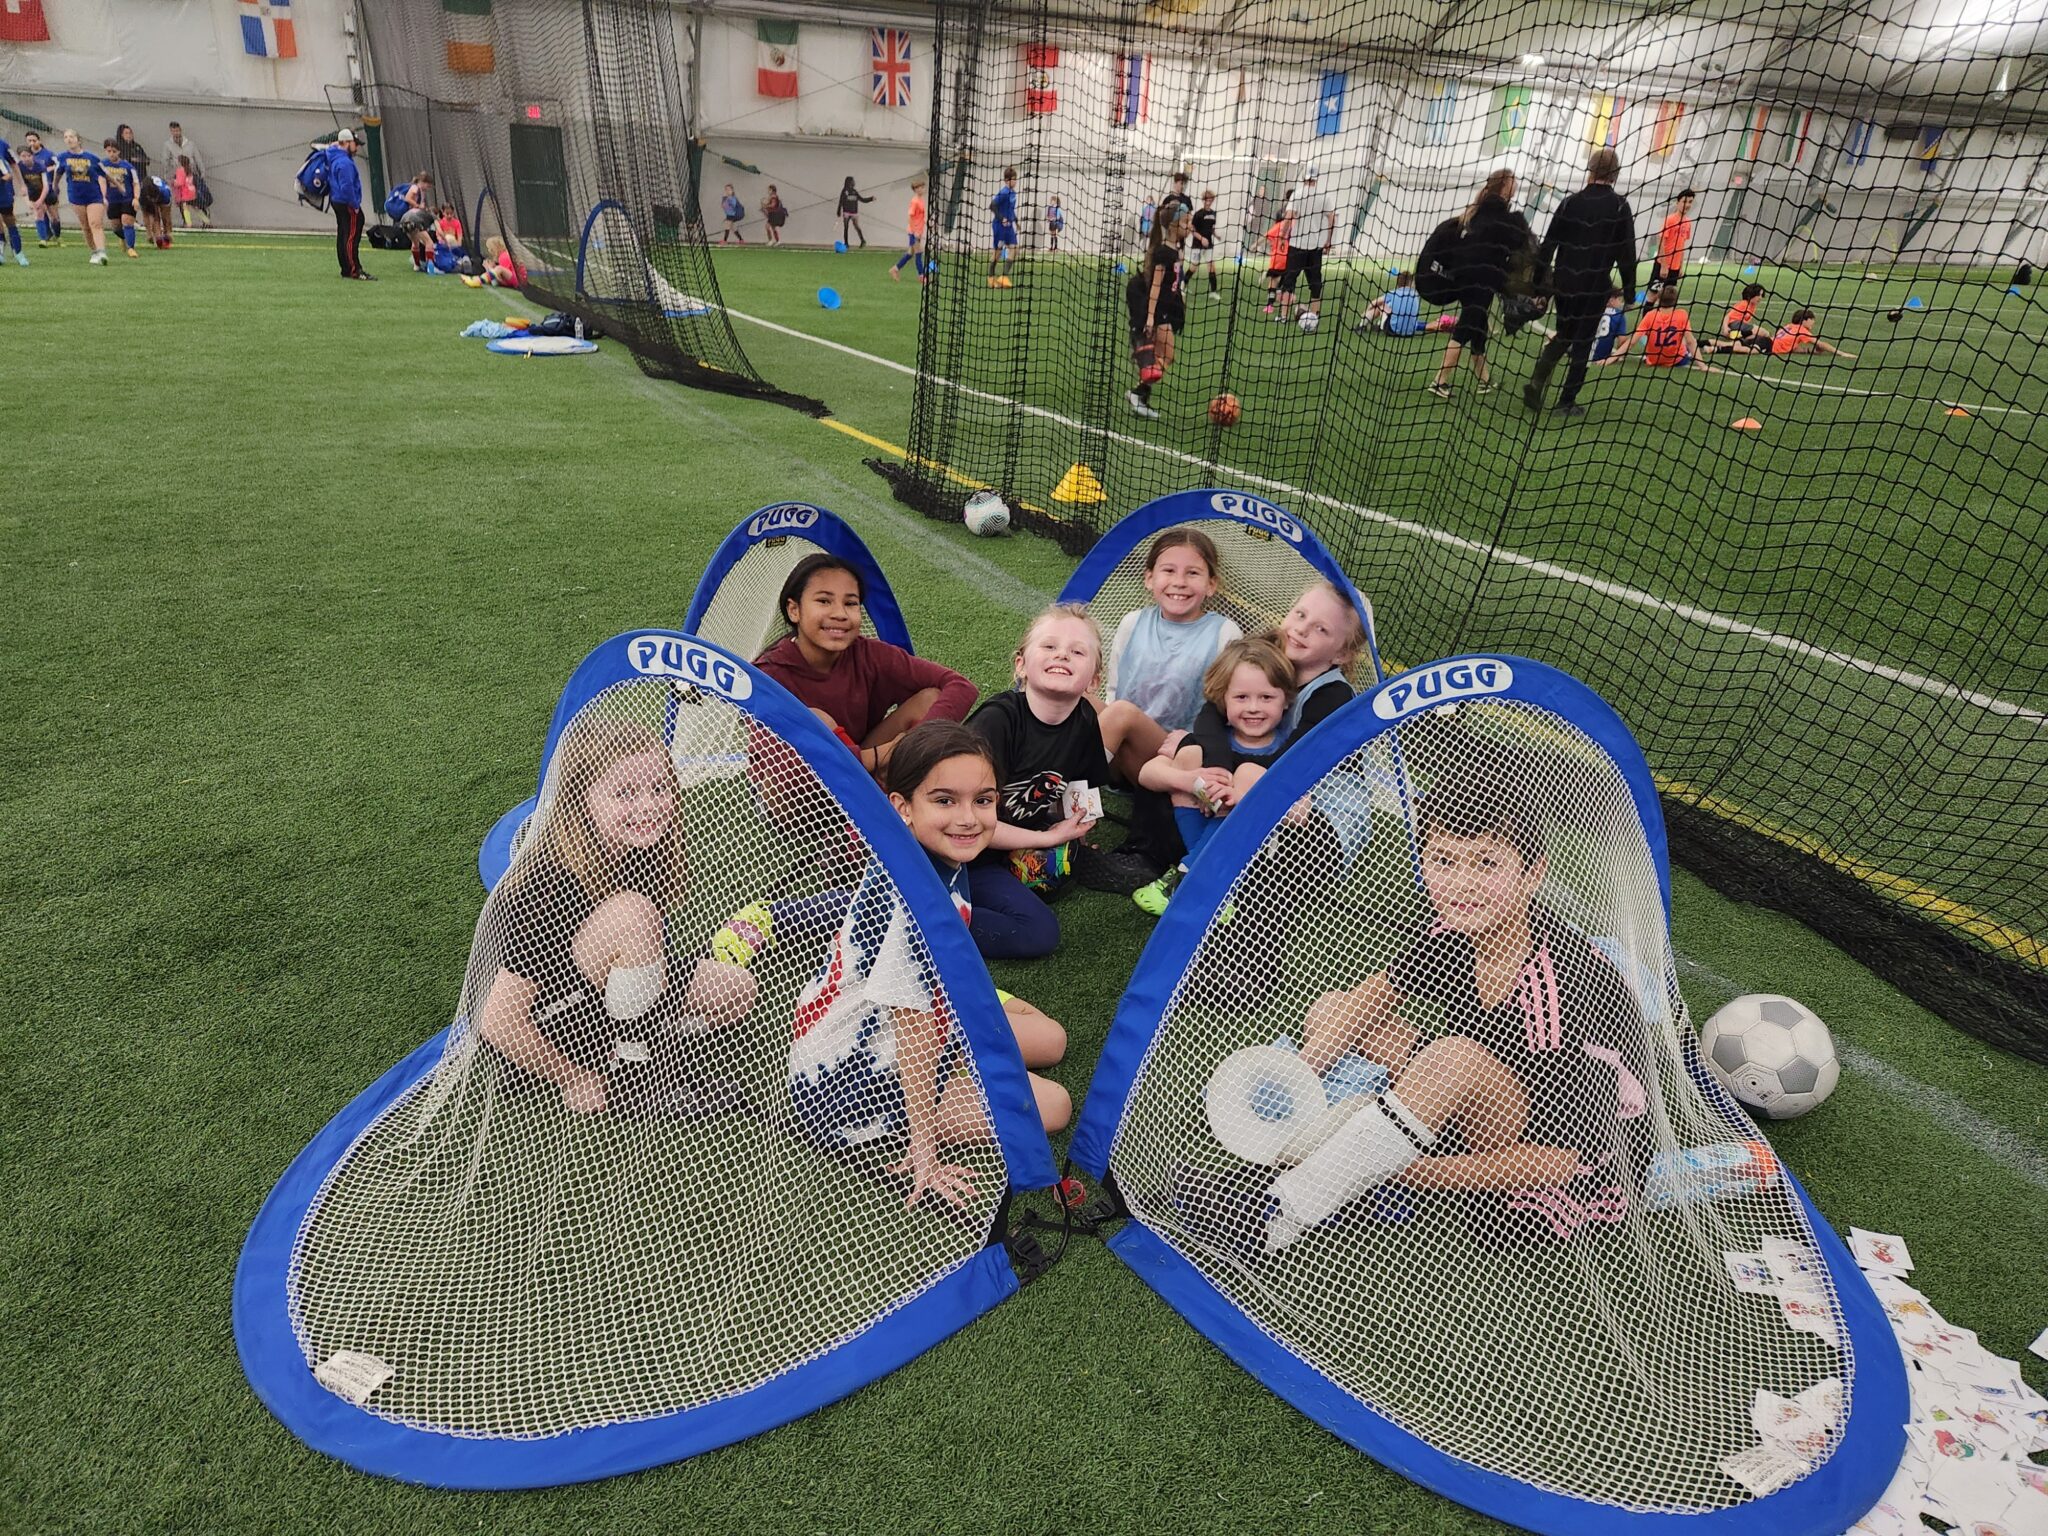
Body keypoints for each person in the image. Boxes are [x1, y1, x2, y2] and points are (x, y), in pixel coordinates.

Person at [1173, 776, 1653, 1260]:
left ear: (1533, 874)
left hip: (1556, 1187)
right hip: (1501, 1100)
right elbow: (1371, 999)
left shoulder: (1558, 983)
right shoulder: (1451, 930)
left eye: (1486, 863)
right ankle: (1332, 1155)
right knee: (1337, 1009)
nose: (1462, 884)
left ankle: (1279, 1216)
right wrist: (1300, 1077)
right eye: (1443, 860)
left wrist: (1387, 1169)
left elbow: (1568, 1160)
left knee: (1452, 1059)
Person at [786, 721, 1072, 1208]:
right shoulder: (911, 904)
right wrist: (925, 1147)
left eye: (982, 800)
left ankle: (965, 1051)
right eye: (944, 800)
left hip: (894, 1020)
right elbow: (915, 1030)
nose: (968, 817)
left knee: (1052, 1039)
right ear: (903, 808)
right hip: (852, 1075)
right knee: (1055, 1106)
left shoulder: (936, 859)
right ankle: (905, 1123)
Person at [477, 714, 758, 1117]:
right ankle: (636, 1080)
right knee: (632, 914)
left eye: (659, 787)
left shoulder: (640, 850)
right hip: (547, 1028)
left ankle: (634, 1045)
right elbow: (498, 1022)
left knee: (736, 990)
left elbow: (642, 961)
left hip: (603, 1002)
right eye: (625, 793)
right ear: (581, 798)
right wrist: (572, 1077)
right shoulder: (547, 881)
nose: (648, 806)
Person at [968, 605, 1175, 926]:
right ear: (1020, 664)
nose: (1062, 655)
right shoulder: (998, 721)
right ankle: (943, 913)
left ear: (1093, 681)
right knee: (1034, 928)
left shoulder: (1084, 719)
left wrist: (1076, 832)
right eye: (1049, 646)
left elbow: (1081, 784)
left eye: (1077, 651)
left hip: (1005, 847)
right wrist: (1047, 840)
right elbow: (967, 821)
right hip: (964, 848)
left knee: (1039, 928)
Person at [755, 554, 977, 778]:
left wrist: (913, 747)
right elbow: (788, 767)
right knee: (817, 720)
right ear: (794, 610)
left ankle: (882, 798)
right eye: (824, 601)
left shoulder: (870, 653)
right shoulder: (769, 674)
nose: (840, 614)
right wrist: (883, 754)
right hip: (802, 793)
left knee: (930, 698)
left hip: (862, 774)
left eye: (850, 603)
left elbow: (961, 686)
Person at [1133, 637, 1298, 915]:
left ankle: (1187, 878)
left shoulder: (1290, 748)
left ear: (1286, 701)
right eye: (1241, 697)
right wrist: (1192, 780)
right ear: (1223, 699)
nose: (1254, 707)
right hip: (1202, 839)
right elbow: (1147, 774)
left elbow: (1299, 807)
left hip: (1262, 858)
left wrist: (1242, 799)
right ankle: (1212, 887)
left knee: (1248, 774)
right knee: (1189, 758)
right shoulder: (1210, 739)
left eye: (1266, 697)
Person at [1522, 148, 1638, 420]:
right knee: (1583, 342)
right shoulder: (1621, 206)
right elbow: (1627, 253)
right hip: (1595, 283)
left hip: (1564, 282)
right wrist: (1629, 291)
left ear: (1590, 170)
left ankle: (1537, 382)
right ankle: (1566, 401)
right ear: (1616, 174)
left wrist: (1540, 286)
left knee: (1564, 333)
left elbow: (1548, 245)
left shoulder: (1570, 202)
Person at [1104, 526, 1244, 733]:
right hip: (1119, 734)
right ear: (1150, 579)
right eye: (1169, 571)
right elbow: (1113, 690)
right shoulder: (1131, 623)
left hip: (1176, 752)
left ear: (1211, 584)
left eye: (1193, 573)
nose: (1179, 582)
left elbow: (1228, 707)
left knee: (1122, 712)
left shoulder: (1225, 633)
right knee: (1084, 701)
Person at [1428, 168, 1531, 398]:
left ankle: (1484, 380)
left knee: (1478, 327)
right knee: (1465, 328)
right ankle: (1440, 380)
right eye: (1513, 182)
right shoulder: (1500, 214)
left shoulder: (1481, 210)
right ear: (1505, 185)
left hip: (1467, 278)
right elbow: (1514, 243)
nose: (1515, 185)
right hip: (1481, 281)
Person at [1124, 205, 1191, 419]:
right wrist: (1151, 317)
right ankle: (1138, 392)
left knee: (1164, 358)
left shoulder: (1175, 251)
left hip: (1167, 312)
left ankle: (1140, 397)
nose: (1189, 227)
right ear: (1173, 226)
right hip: (1159, 313)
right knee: (1167, 357)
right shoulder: (1164, 253)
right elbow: (1155, 285)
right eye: (1185, 223)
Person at [1278, 580, 1366, 734]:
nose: (1301, 629)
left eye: (1321, 629)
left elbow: (1299, 756)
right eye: (1301, 615)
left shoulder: (1332, 698)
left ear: (1342, 654)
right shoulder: (1265, 657)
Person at [1598, 285, 1717, 371]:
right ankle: (1708, 349)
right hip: (1678, 361)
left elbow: (1632, 342)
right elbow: (1691, 342)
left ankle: (1707, 348)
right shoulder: (1682, 314)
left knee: (1644, 336)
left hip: (1653, 361)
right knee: (1685, 339)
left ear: (1658, 300)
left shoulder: (1650, 315)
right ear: (1675, 301)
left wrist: (1610, 359)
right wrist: (1703, 366)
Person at [1277, 164, 1336, 324]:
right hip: (1315, 246)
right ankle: (1315, 315)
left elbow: (1289, 217)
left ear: (1304, 178)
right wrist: (1329, 240)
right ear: (1316, 179)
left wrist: (1282, 235)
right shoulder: (1324, 196)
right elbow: (1331, 217)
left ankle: (1283, 316)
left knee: (1289, 280)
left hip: (1297, 245)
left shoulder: (1297, 194)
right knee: (1315, 282)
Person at [56, 131, 108, 266]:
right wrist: (54, 187)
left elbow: (105, 174)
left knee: (95, 223)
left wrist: (118, 187)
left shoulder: (92, 158)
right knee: (85, 226)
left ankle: (102, 252)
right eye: (66, 137)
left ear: (79, 140)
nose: (68, 140)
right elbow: (57, 174)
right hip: (76, 196)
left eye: (71, 137)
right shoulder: (62, 157)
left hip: (93, 195)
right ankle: (94, 251)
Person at [324, 129, 369, 279]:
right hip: (346, 202)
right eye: (354, 144)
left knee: (343, 234)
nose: (356, 147)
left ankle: (346, 268)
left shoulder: (334, 156)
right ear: (347, 143)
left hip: (337, 200)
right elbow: (347, 186)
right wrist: (355, 204)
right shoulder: (345, 163)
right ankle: (354, 269)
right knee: (351, 236)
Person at [99, 141, 142, 260]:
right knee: (116, 227)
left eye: (114, 151)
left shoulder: (128, 167)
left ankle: (131, 248)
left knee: (127, 221)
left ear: (119, 152)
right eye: (109, 151)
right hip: (112, 200)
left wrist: (136, 198)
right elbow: (100, 181)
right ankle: (123, 238)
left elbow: (136, 183)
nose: (111, 154)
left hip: (127, 199)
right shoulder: (102, 165)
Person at [1649, 188, 1695, 296]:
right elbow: (1660, 241)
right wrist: (1664, 266)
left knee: (1668, 298)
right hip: (1663, 266)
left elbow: (1682, 246)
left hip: (1675, 268)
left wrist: (1681, 267)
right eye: (1684, 201)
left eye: (1690, 202)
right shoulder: (1670, 220)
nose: (1687, 205)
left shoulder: (1688, 222)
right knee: (1653, 296)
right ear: (1677, 202)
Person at [21, 133, 59, 245]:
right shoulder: (26, 157)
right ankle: (45, 237)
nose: (32, 143)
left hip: (49, 187)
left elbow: (59, 165)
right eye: (29, 141)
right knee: (40, 212)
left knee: (54, 215)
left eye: (34, 140)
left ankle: (57, 236)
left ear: (39, 140)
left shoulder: (49, 154)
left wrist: (49, 169)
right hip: (35, 190)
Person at [1359, 271, 1422, 336]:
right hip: (1410, 332)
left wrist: (1365, 311)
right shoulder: (1416, 295)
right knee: (1390, 306)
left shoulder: (1393, 293)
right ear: (1410, 283)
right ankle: (1378, 325)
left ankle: (1362, 325)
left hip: (1393, 331)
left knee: (1381, 306)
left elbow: (1374, 302)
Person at [1187, 188, 1222, 301]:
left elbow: (1211, 228)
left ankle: (1213, 292)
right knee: (1193, 267)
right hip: (1198, 245)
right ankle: (1182, 285)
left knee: (1212, 267)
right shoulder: (1198, 214)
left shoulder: (1213, 213)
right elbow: (1192, 230)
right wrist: (1201, 238)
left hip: (1209, 245)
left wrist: (1216, 235)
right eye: (1207, 199)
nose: (1209, 201)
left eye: (1211, 199)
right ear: (1203, 200)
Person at [988, 165, 1019, 288]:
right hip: (999, 227)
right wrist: (1002, 218)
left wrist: (1016, 221)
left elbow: (1010, 209)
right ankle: (991, 278)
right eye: (1013, 179)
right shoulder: (1004, 192)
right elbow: (992, 206)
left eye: (1016, 179)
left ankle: (1004, 277)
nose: (1015, 181)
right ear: (1007, 181)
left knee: (1015, 249)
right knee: (997, 253)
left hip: (1009, 227)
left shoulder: (1013, 193)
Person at [1261, 200, 1293, 317]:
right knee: (1287, 284)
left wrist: (1255, 245)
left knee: (1272, 283)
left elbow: (1266, 236)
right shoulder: (1292, 226)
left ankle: (1270, 305)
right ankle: (1288, 300)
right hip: (1288, 260)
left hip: (1276, 261)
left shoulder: (1276, 227)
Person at [893, 176, 925, 281]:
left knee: (910, 253)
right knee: (918, 252)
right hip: (914, 232)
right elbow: (910, 216)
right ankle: (921, 276)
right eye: (920, 187)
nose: (922, 189)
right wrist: (914, 231)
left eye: (923, 187)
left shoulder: (921, 200)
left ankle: (895, 269)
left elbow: (920, 216)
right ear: (915, 189)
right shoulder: (915, 201)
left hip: (918, 231)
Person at [1589, 288, 1630, 362]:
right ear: (1611, 300)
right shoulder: (1619, 314)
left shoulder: (1590, 310)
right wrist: (1618, 356)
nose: (1621, 303)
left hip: (1582, 355)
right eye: (1619, 300)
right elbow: (1622, 340)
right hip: (1602, 357)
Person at [0, 134, 23, 265]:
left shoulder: (3, 145)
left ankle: (18, 252)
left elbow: (11, 170)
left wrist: (22, 185)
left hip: (4, 192)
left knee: (9, 220)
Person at [161, 122, 203, 188]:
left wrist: (202, 172)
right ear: (171, 131)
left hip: (190, 174)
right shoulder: (167, 145)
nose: (176, 133)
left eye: (177, 131)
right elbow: (165, 161)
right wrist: (166, 177)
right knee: (179, 196)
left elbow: (198, 159)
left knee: (192, 194)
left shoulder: (190, 144)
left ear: (180, 130)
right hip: (176, 176)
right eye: (173, 131)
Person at [172, 154, 209, 229]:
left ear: (180, 162)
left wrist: (174, 182)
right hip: (192, 191)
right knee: (196, 207)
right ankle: (206, 220)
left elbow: (180, 183)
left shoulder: (180, 170)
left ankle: (188, 223)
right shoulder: (189, 169)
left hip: (185, 192)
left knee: (185, 208)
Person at [836, 176, 872, 248]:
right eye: (853, 181)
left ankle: (862, 240)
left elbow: (862, 199)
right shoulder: (844, 191)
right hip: (846, 212)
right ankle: (846, 243)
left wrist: (870, 199)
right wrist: (839, 210)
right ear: (849, 182)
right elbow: (841, 201)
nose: (854, 182)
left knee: (856, 226)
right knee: (846, 227)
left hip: (854, 213)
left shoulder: (855, 192)